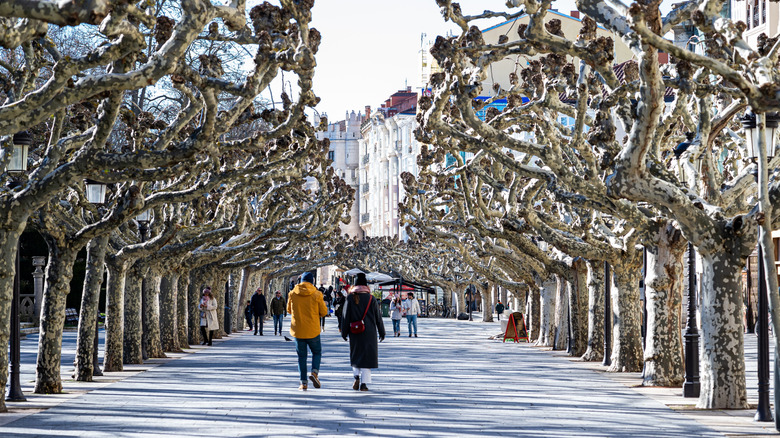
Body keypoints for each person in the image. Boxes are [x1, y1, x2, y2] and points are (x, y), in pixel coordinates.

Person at [341, 273, 385, 391]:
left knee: (356, 354)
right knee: (367, 357)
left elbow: (345, 316)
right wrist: (382, 332)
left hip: (354, 331)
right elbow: (378, 317)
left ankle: (356, 376)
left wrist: (344, 332)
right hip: (369, 332)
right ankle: (364, 384)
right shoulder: (372, 298)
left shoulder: (350, 298)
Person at [287, 272, 328, 391]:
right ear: (312, 281)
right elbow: (324, 312)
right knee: (317, 352)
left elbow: (289, 310)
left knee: (301, 357)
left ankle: (303, 383)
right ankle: (314, 372)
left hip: (298, 330)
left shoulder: (292, 293)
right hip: (313, 329)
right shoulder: (317, 294)